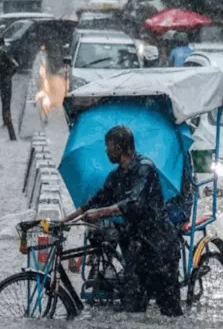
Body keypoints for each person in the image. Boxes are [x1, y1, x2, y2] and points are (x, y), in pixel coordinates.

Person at [61, 126, 183, 317]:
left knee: (170, 312)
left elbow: (134, 203)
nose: (106, 151)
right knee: (132, 309)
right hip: (137, 250)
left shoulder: (145, 168)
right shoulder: (117, 175)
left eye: (108, 147)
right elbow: (96, 200)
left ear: (119, 147)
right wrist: (65, 220)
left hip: (159, 248)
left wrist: (100, 213)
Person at [0, 37, 19, 140]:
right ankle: (6, 123)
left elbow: (16, 65)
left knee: (6, 102)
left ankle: (8, 123)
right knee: (4, 102)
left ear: (0, 45)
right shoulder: (0, 55)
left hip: (6, 81)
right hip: (3, 80)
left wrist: (9, 75)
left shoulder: (5, 54)